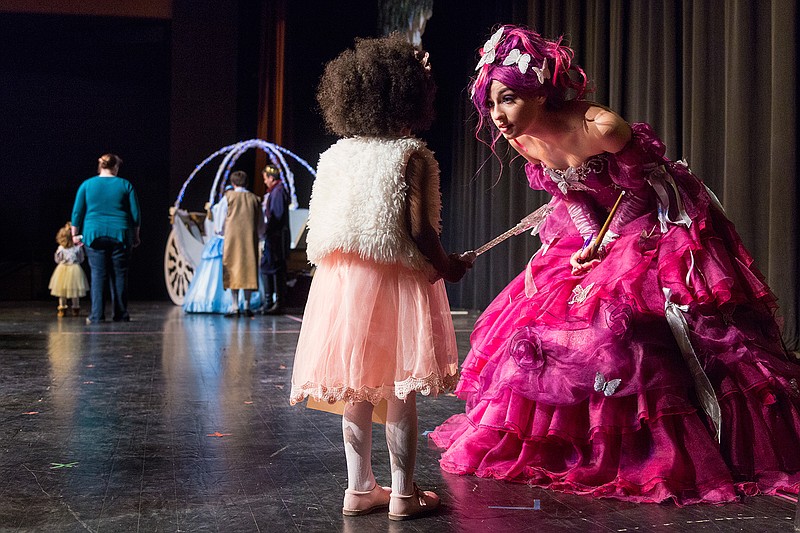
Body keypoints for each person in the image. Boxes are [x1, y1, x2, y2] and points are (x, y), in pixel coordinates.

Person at [430, 25, 800, 505]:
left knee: (634, 325)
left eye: (508, 100)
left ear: (539, 93)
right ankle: (573, 446)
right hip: (599, 229)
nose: (498, 116)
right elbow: (572, 196)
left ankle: (665, 449)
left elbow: (643, 191)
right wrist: (588, 242)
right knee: (544, 319)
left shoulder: (601, 128)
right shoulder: (524, 140)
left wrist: (614, 245)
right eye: (492, 104)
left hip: (655, 222)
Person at [289, 35, 473, 520]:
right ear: (410, 95)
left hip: (342, 285)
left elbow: (320, 226)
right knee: (396, 390)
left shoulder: (334, 156)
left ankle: (358, 488)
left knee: (356, 386)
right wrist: (448, 265)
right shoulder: (409, 154)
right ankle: (404, 496)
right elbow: (418, 230)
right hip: (392, 281)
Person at [71, 153, 141, 324]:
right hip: (120, 234)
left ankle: (97, 315)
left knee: (98, 274)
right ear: (115, 167)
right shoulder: (125, 184)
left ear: (100, 166)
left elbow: (77, 212)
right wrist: (136, 235)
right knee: (120, 275)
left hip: (94, 235)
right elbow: (135, 214)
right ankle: (121, 314)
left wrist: (74, 234)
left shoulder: (87, 185)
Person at [220, 170, 265, 318]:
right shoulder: (254, 199)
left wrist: (220, 231)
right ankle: (246, 305)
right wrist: (259, 234)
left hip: (232, 239)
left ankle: (234, 306)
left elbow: (221, 219)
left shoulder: (228, 197)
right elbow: (261, 223)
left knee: (233, 269)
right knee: (248, 270)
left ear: (233, 183)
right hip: (249, 239)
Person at [260, 164, 291, 315]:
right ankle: (270, 302)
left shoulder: (278, 192)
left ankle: (276, 302)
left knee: (275, 268)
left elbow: (277, 215)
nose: (265, 182)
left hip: (276, 237)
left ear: (271, 178)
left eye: (266, 178)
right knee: (269, 267)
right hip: (275, 235)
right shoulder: (276, 191)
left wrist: (268, 229)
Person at [48, 222, 88, 317]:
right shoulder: (77, 248)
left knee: (62, 291)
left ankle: (62, 307)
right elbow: (81, 258)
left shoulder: (61, 248)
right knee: (75, 291)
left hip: (63, 269)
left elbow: (57, 260)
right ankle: (75, 307)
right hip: (74, 269)